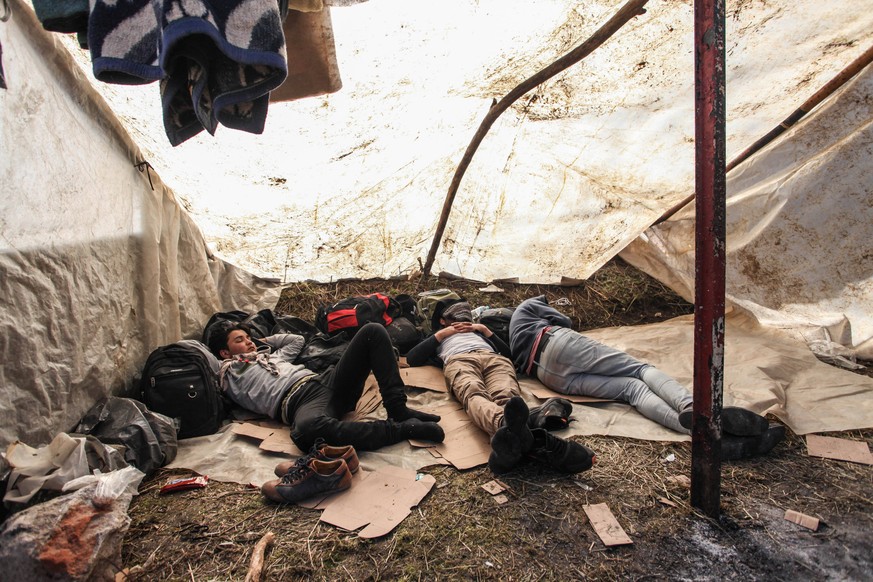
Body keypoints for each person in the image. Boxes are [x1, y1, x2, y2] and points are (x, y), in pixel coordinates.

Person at [508, 295, 781, 458]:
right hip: (557, 343)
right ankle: (691, 406)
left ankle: (695, 431)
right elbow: (565, 322)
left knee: (631, 390)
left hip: (548, 377)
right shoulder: (529, 306)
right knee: (639, 370)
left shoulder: (511, 340)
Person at [406, 300, 595, 474]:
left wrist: (483, 330)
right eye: (455, 320)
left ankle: (509, 436)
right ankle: (509, 427)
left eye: (467, 320)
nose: (462, 324)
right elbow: (412, 358)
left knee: (507, 397)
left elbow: (509, 355)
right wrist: (443, 334)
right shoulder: (438, 336)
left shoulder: (481, 333)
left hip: (494, 359)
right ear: (443, 321)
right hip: (460, 360)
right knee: (473, 393)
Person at [206, 321, 446, 455]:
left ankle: (398, 409)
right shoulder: (226, 373)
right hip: (302, 403)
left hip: (323, 381)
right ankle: (401, 429)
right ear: (224, 353)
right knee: (305, 433)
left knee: (372, 331)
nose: (248, 341)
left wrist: (261, 343)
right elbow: (197, 351)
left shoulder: (272, 356)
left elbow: (296, 341)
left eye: (248, 337)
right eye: (240, 340)